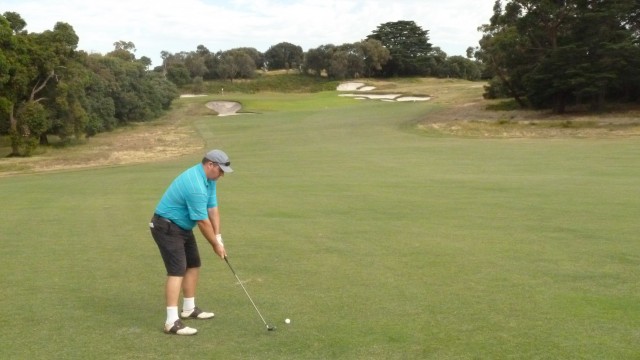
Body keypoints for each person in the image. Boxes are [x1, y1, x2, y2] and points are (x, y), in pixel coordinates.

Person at [149, 149, 233, 335]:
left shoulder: (210, 180)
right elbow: (203, 222)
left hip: (183, 228)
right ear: (210, 165)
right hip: (166, 227)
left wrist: (218, 237)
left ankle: (189, 308)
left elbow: (212, 208)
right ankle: (171, 322)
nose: (221, 176)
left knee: (193, 264)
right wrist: (215, 245)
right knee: (177, 271)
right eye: (220, 171)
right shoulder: (195, 184)